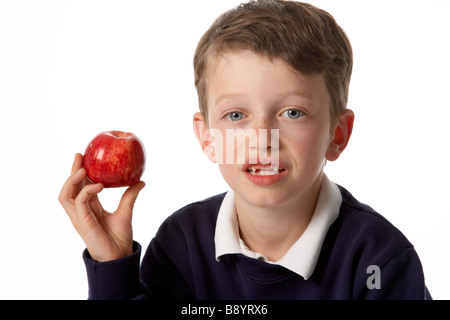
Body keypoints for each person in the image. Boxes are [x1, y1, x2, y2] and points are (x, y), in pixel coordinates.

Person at [59, 0, 431, 299]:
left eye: (292, 112)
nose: (262, 138)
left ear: (338, 134)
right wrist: (112, 265)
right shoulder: (181, 244)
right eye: (236, 114)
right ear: (207, 138)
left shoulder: (380, 260)